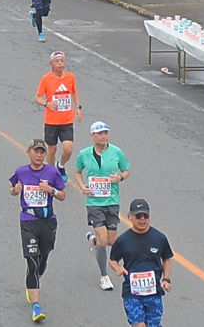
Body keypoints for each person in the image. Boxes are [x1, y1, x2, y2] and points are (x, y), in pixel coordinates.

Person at [8, 141, 67, 323]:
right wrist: (14, 190)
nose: (39, 155)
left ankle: (35, 279)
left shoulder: (52, 172)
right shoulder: (21, 172)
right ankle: (36, 306)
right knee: (32, 263)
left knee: (44, 257)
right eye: (36, 151)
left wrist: (51, 190)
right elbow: (12, 188)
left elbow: (63, 195)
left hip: (48, 221)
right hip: (28, 221)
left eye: (42, 152)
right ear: (29, 153)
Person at [75, 121, 133, 291]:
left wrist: (120, 178)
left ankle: (94, 242)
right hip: (94, 202)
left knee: (111, 240)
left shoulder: (116, 152)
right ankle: (104, 276)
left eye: (106, 133)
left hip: (112, 201)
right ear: (92, 135)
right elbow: (78, 171)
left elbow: (127, 169)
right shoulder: (84, 154)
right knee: (103, 238)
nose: (103, 136)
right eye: (100, 133)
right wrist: (81, 186)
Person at [109, 198, 173, 326]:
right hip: (132, 293)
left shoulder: (159, 238)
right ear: (130, 216)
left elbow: (166, 258)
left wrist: (166, 279)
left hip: (153, 293)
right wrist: (118, 268)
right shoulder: (123, 240)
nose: (142, 219)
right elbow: (113, 260)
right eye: (138, 216)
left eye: (145, 216)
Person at [34, 51, 81, 170]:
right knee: (52, 148)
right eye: (57, 61)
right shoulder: (46, 79)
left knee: (68, 148)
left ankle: (60, 166)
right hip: (51, 121)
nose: (60, 64)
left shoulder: (70, 77)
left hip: (67, 120)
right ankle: (51, 171)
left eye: (62, 61)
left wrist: (78, 107)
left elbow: (74, 91)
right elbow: (38, 97)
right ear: (51, 64)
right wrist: (46, 103)